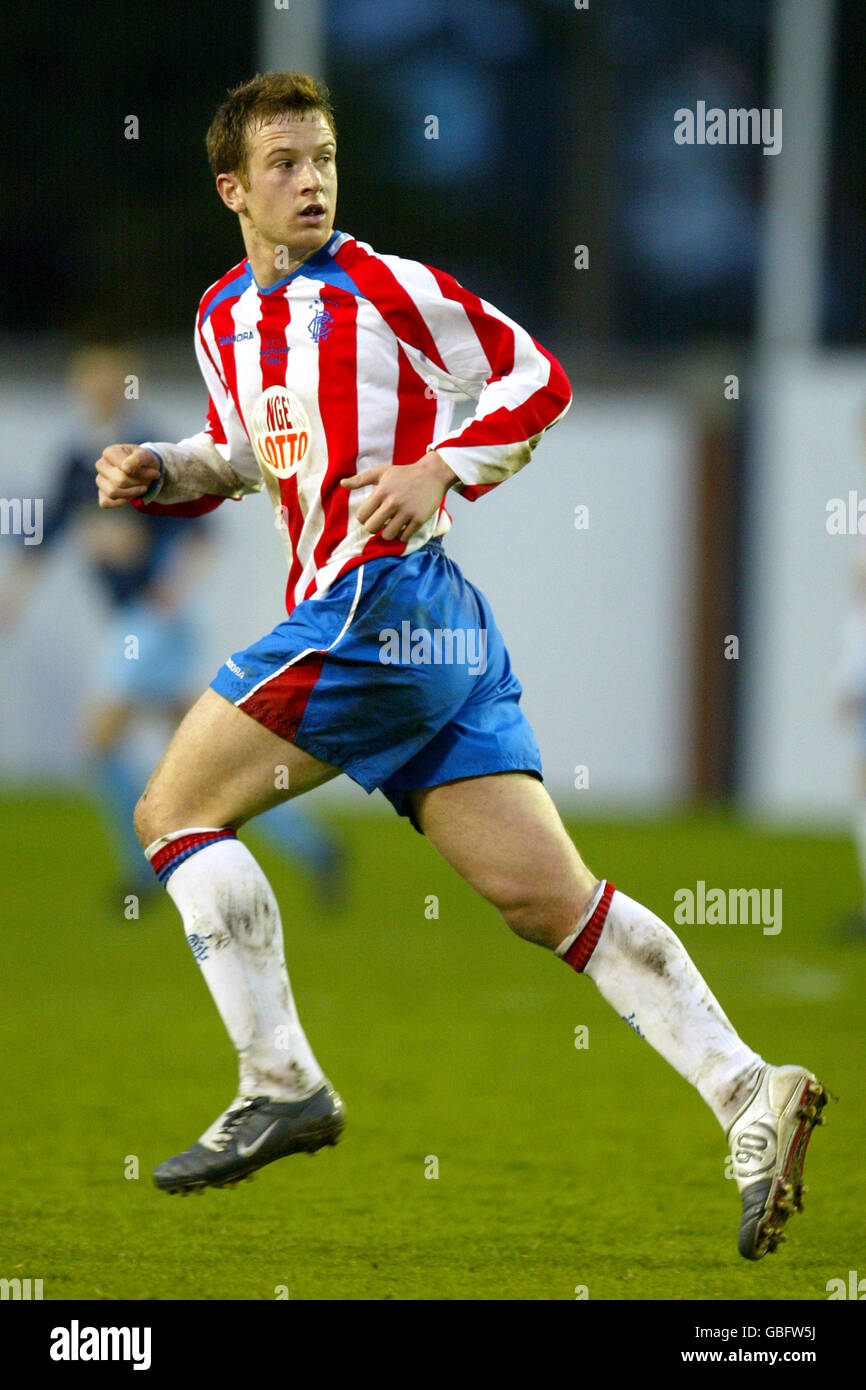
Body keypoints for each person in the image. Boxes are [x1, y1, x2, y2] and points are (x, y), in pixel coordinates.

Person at [94, 72, 827, 1260]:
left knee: (171, 809)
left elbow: (537, 376)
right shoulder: (222, 317)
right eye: (282, 163)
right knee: (548, 901)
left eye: (322, 157)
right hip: (422, 638)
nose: (311, 180)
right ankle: (746, 1086)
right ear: (231, 188)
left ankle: (279, 1080)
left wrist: (443, 466)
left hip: (376, 607)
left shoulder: (384, 285)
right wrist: (165, 473)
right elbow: (248, 455)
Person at [3, 344, 347, 909]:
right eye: (89, 377)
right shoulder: (76, 458)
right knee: (210, 758)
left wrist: (170, 589)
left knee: (98, 743)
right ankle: (314, 847)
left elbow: (200, 533)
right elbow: (50, 532)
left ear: (124, 383)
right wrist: (13, 595)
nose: (99, 387)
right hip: (136, 622)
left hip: (154, 620)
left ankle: (144, 871)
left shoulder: (146, 447)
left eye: (110, 377)